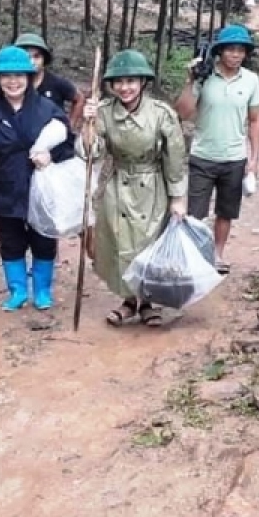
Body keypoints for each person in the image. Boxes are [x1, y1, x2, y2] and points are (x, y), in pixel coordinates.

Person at [0, 46, 73, 312]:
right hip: (5, 187)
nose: (13, 81)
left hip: (41, 188)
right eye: (6, 76)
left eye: (19, 75)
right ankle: (17, 290)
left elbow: (68, 144)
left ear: (30, 77)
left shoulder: (48, 109)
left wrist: (51, 155)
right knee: (10, 241)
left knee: (43, 239)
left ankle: (42, 291)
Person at [80, 49, 188, 328]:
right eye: (118, 82)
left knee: (149, 245)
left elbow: (175, 156)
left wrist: (178, 197)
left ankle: (149, 301)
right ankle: (129, 301)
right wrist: (87, 123)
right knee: (120, 245)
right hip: (117, 184)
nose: (125, 88)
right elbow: (92, 152)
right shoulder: (103, 111)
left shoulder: (161, 113)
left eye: (131, 81)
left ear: (142, 82)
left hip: (152, 185)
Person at [176, 24, 259, 275]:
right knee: (195, 213)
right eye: (230, 50)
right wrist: (191, 81)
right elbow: (182, 112)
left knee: (226, 211)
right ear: (220, 51)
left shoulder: (251, 81)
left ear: (246, 54)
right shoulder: (204, 76)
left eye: (240, 50)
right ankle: (193, 256)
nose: (235, 55)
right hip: (202, 155)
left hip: (235, 157)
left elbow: (255, 120)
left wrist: (254, 159)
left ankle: (217, 255)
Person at [15, 33, 86, 131]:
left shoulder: (56, 83)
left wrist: (69, 125)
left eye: (36, 56)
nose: (31, 62)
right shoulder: (12, 86)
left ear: (44, 59)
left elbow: (79, 98)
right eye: (27, 57)